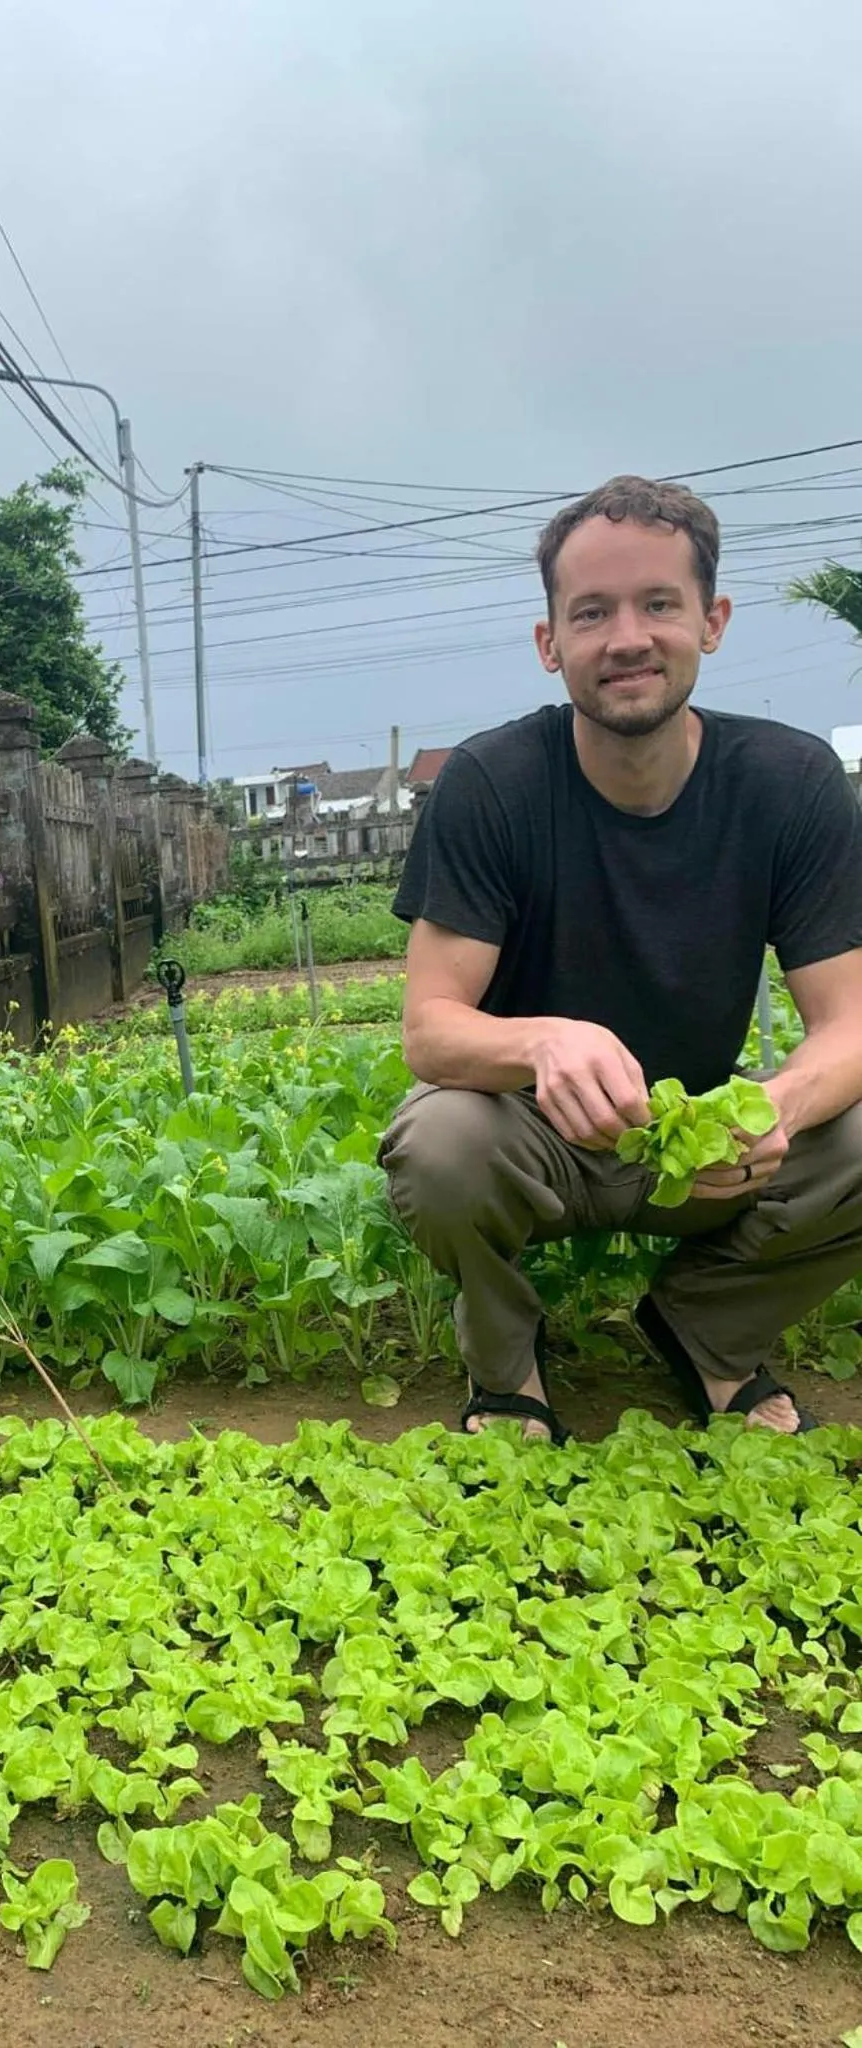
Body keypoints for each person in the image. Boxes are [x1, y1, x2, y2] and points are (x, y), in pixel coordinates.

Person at [379, 475, 862, 1442]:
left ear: (712, 622)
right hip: (536, 1139)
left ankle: (706, 1330)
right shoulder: (490, 784)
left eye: (659, 604)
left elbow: (848, 1023)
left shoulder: (791, 782)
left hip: (700, 1151)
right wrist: (545, 1043)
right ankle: (507, 1364)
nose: (627, 637)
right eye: (591, 612)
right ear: (550, 643)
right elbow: (430, 1031)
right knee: (438, 1147)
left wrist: (774, 1109)